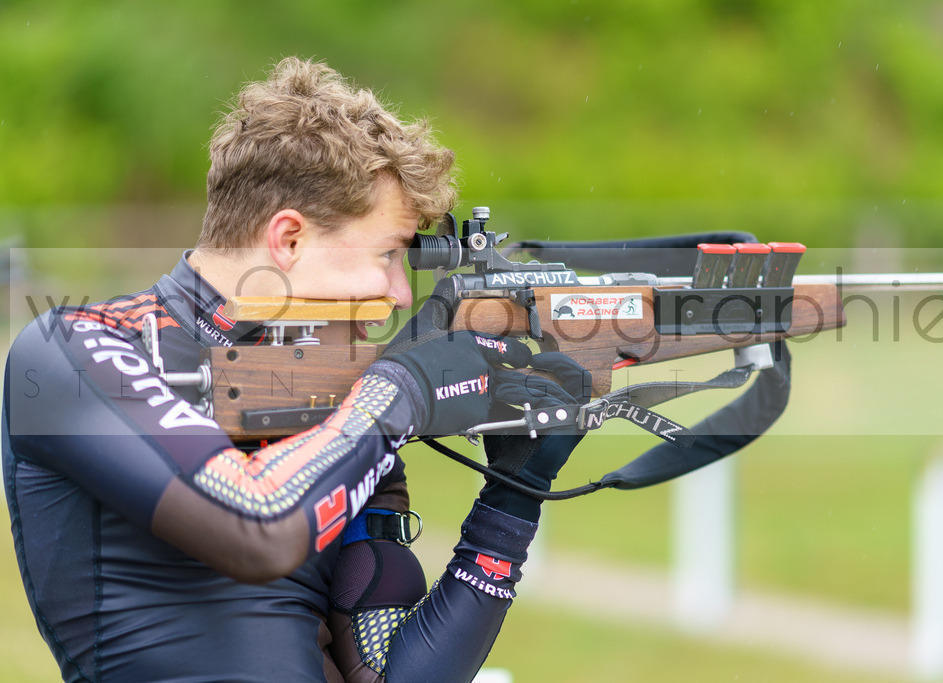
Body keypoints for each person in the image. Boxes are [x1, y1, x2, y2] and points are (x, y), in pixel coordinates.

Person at [3, 57, 589, 682]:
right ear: (287, 239)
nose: (399, 293)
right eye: (389, 254)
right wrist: (400, 394)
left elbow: (391, 676)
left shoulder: (340, 400)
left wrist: (512, 500)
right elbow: (255, 526)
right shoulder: (74, 349)